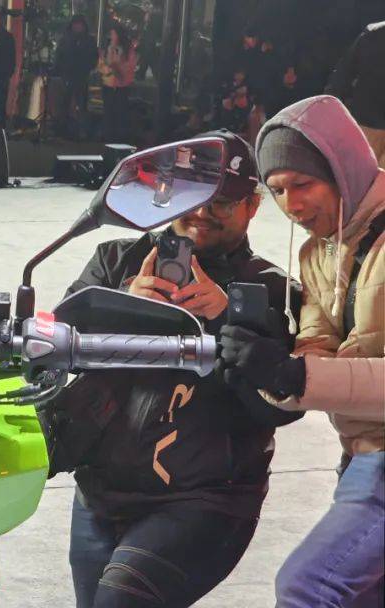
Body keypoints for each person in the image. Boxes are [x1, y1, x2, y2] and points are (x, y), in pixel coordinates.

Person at [49, 131, 304, 608]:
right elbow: (52, 356)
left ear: (252, 206)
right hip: (99, 493)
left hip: (204, 502)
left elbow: (282, 406)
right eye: (194, 196)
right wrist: (122, 305)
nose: (203, 212)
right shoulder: (114, 260)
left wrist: (228, 320)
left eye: (222, 202)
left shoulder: (274, 289)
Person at [221, 95, 385, 607]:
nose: (290, 204)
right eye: (277, 190)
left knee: (308, 587)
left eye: (303, 184)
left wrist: (297, 376)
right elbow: (315, 351)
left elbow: (312, 375)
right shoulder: (318, 253)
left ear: (343, 169)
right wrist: (268, 370)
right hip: (362, 453)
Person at [325, 21, 385, 166]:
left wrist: (332, 104)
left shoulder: (373, 32)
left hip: (367, 119)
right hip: (368, 120)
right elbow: (344, 72)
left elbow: (344, 72)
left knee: (359, 172)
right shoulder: (374, 32)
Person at [53, 14, 95, 138]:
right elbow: (59, 56)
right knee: (65, 103)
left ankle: (82, 130)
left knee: (82, 104)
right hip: (68, 75)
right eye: (75, 24)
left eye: (79, 25)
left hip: (81, 75)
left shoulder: (89, 40)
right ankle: (62, 128)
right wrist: (60, 70)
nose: (77, 27)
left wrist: (87, 68)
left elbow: (93, 57)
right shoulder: (66, 40)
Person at [98, 23, 136, 142]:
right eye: (111, 34)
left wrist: (118, 69)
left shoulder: (128, 50)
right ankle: (108, 136)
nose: (112, 36)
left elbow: (130, 66)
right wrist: (110, 69)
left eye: (114, 34)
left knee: (120, 112)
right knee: (108, 111)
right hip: (108, 84)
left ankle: (120, 137)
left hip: (122, 85)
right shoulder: (108, 48)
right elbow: (101, 65)